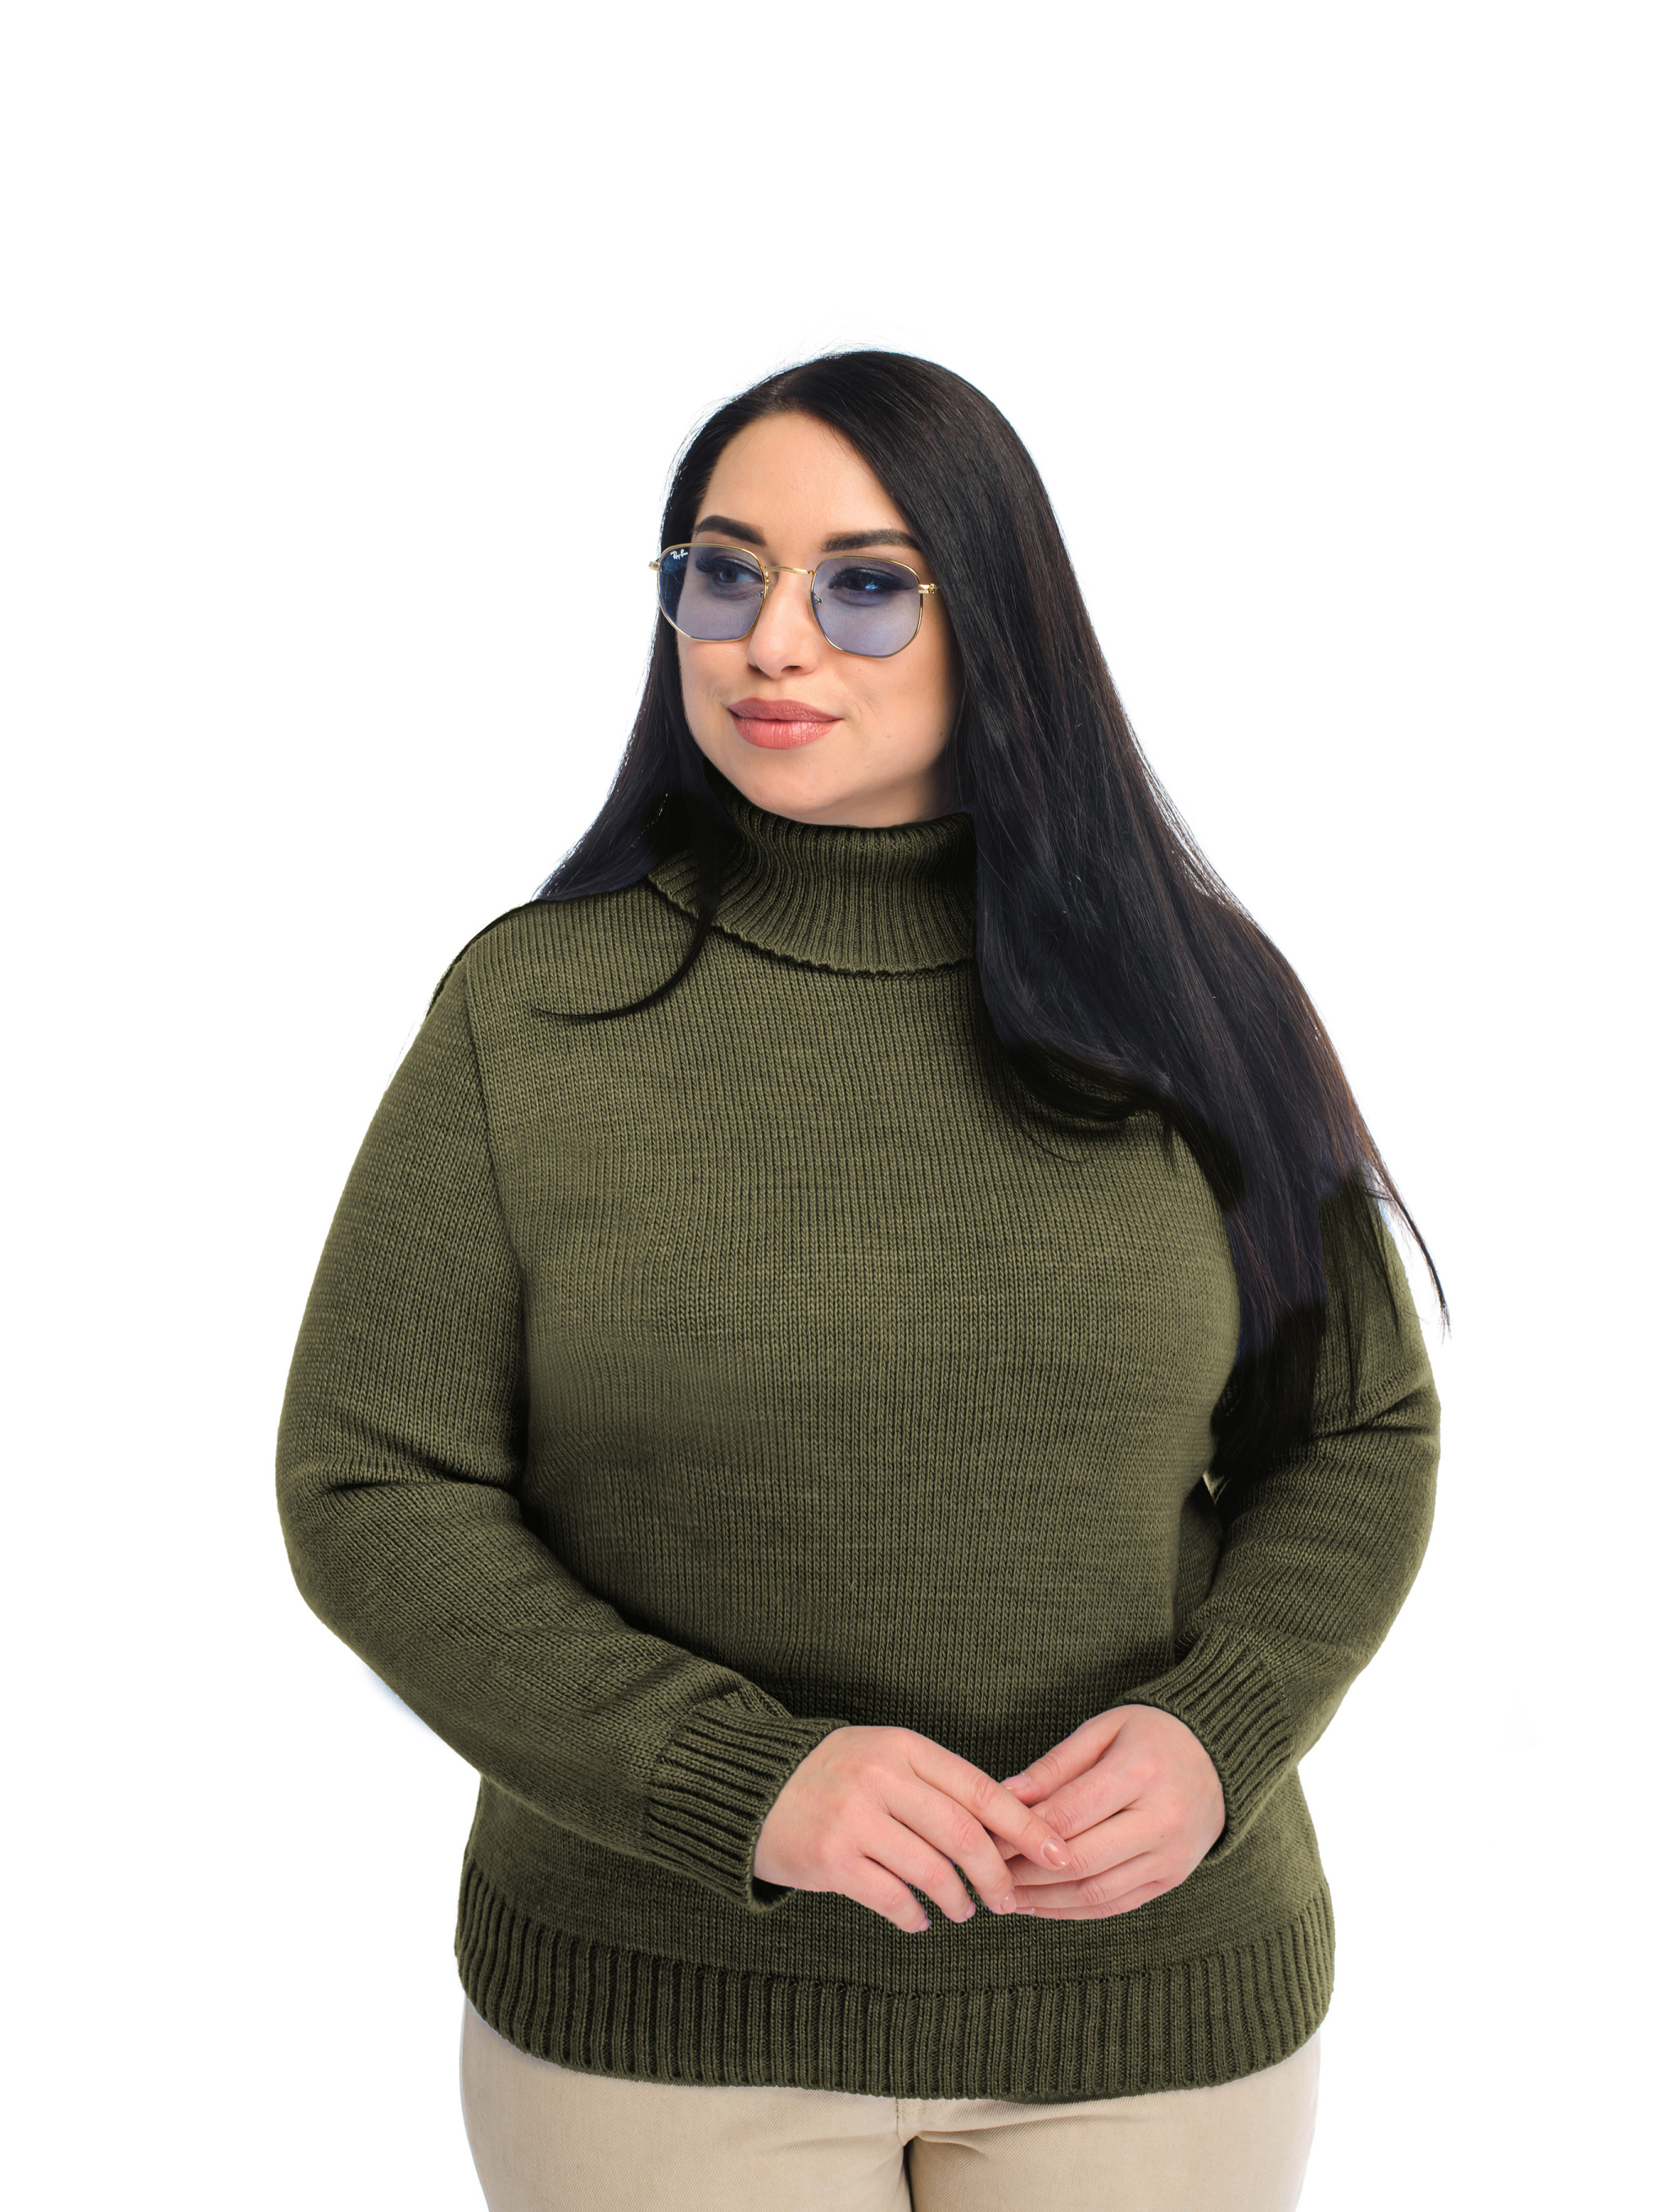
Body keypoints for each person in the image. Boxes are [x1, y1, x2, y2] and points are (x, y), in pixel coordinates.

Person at [275, 350, 1441, 2211]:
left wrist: (1221, 1727)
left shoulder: (1198, 999)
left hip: (1151, 2028)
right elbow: (371, 1485)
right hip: (661, 2039)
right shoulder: (532, 1011)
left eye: (864, 584)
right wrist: (731, 1778)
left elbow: (1355, 1432)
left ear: (998, 618)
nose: (770, 640)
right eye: (720, 574)